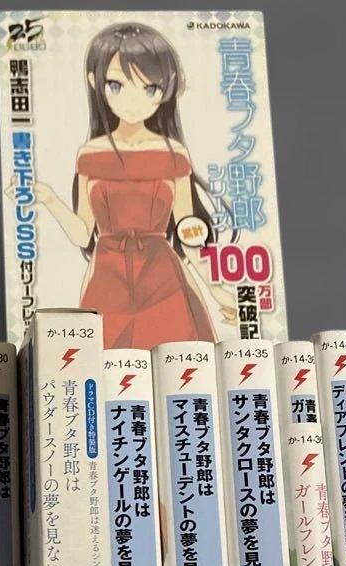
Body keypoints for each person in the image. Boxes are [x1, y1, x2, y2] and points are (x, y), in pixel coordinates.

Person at [23, 23, 237, 350]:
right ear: (95, 82)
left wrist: (215, 288)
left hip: (163, 277)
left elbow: (188, 231)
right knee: (101, 363)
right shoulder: (91, 155)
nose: (134, 101)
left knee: (177, 361)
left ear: (167, 88)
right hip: (107, 278)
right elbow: (83, 234)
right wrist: (50, 199)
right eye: (117, 85)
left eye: (150, 88)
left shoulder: (173, 153)